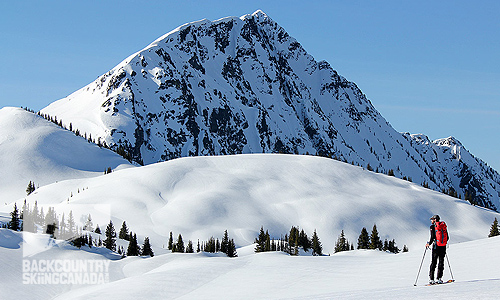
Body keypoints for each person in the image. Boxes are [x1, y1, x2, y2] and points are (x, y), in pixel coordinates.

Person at [425, 214, 449, 284]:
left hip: (436, 247)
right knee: (441, 262)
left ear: (435, 220)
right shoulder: (443, 226)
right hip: (443, 246)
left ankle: (431, 279)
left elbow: (432, 237)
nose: (431, 221)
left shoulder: (432, 227)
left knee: (433, 262)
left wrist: (428, 244)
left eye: (432, 219)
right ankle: (439, 278)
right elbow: (447, 237)